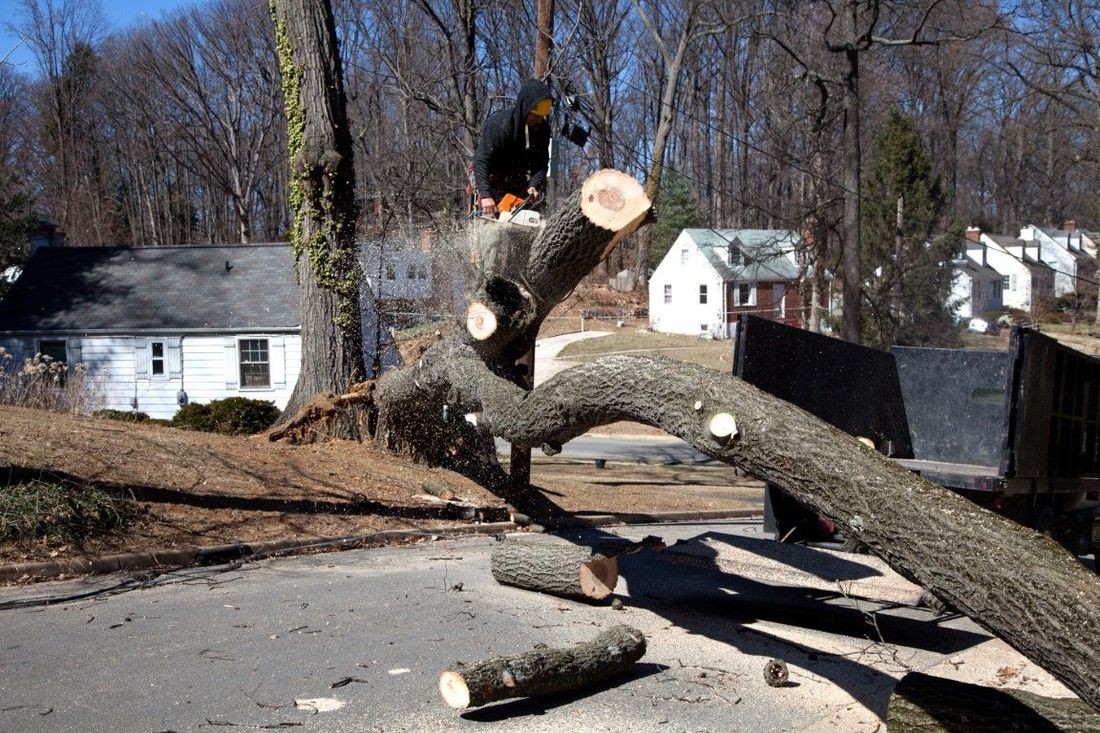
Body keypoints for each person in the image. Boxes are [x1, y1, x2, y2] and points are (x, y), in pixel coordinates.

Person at [473, 79, 553, 216]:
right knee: (490, 219)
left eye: (542, 117)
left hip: (517, 178)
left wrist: (534, 184)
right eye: (536, 116)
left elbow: (541, 162)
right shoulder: (499, 125)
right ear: (525, 108)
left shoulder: (542, 130)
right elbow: (481, 159)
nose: (539, 120)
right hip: (490, 177)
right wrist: (485, 194)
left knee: (522, 219)